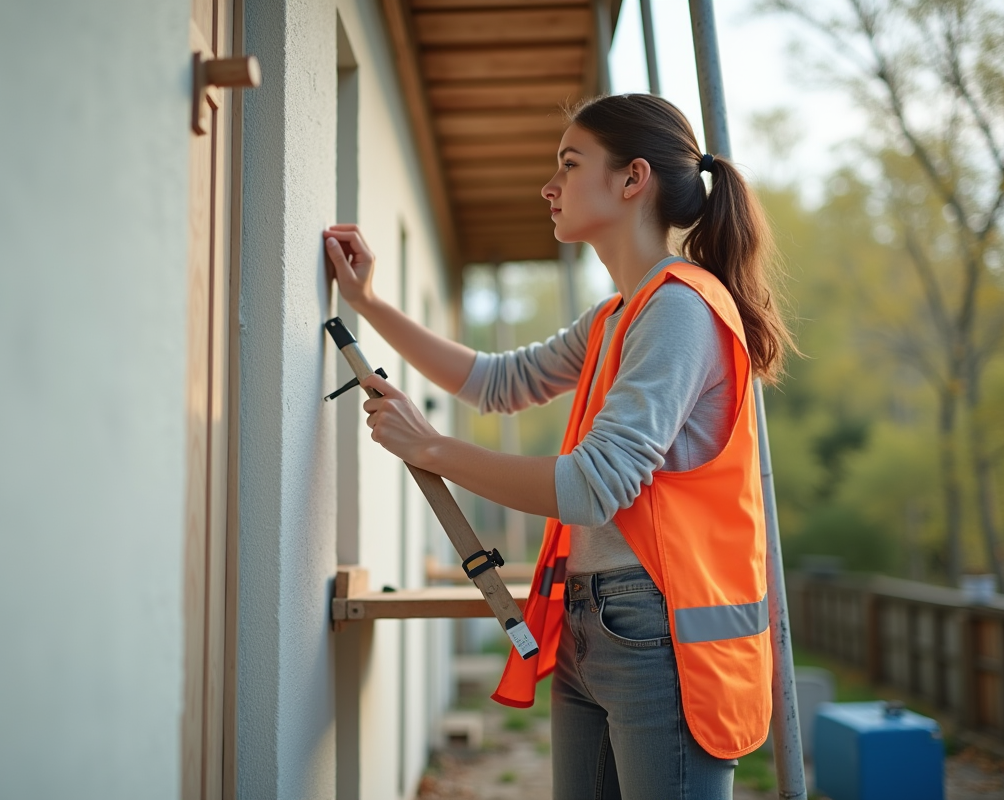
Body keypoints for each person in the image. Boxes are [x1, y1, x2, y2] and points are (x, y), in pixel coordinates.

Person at [323, 93, 793, 800]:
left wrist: (433, 450)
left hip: (657, 632)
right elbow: (495, 382)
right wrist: (369, 305)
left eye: (570, 165)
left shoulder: (680, 310)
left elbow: (590, 486)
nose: (550, 186)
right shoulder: (615, 316)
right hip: (592, 621)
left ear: (632, 180)